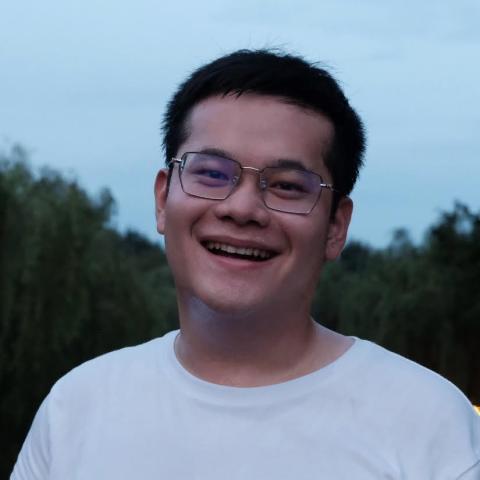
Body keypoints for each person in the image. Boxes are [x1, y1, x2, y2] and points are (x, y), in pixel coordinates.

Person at [11, 49, 480, 479]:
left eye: (287, 186)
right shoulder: (76, 408)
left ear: (336, 226)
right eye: (212, 174)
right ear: (161, 199)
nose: (242, 208)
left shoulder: (428, 424)